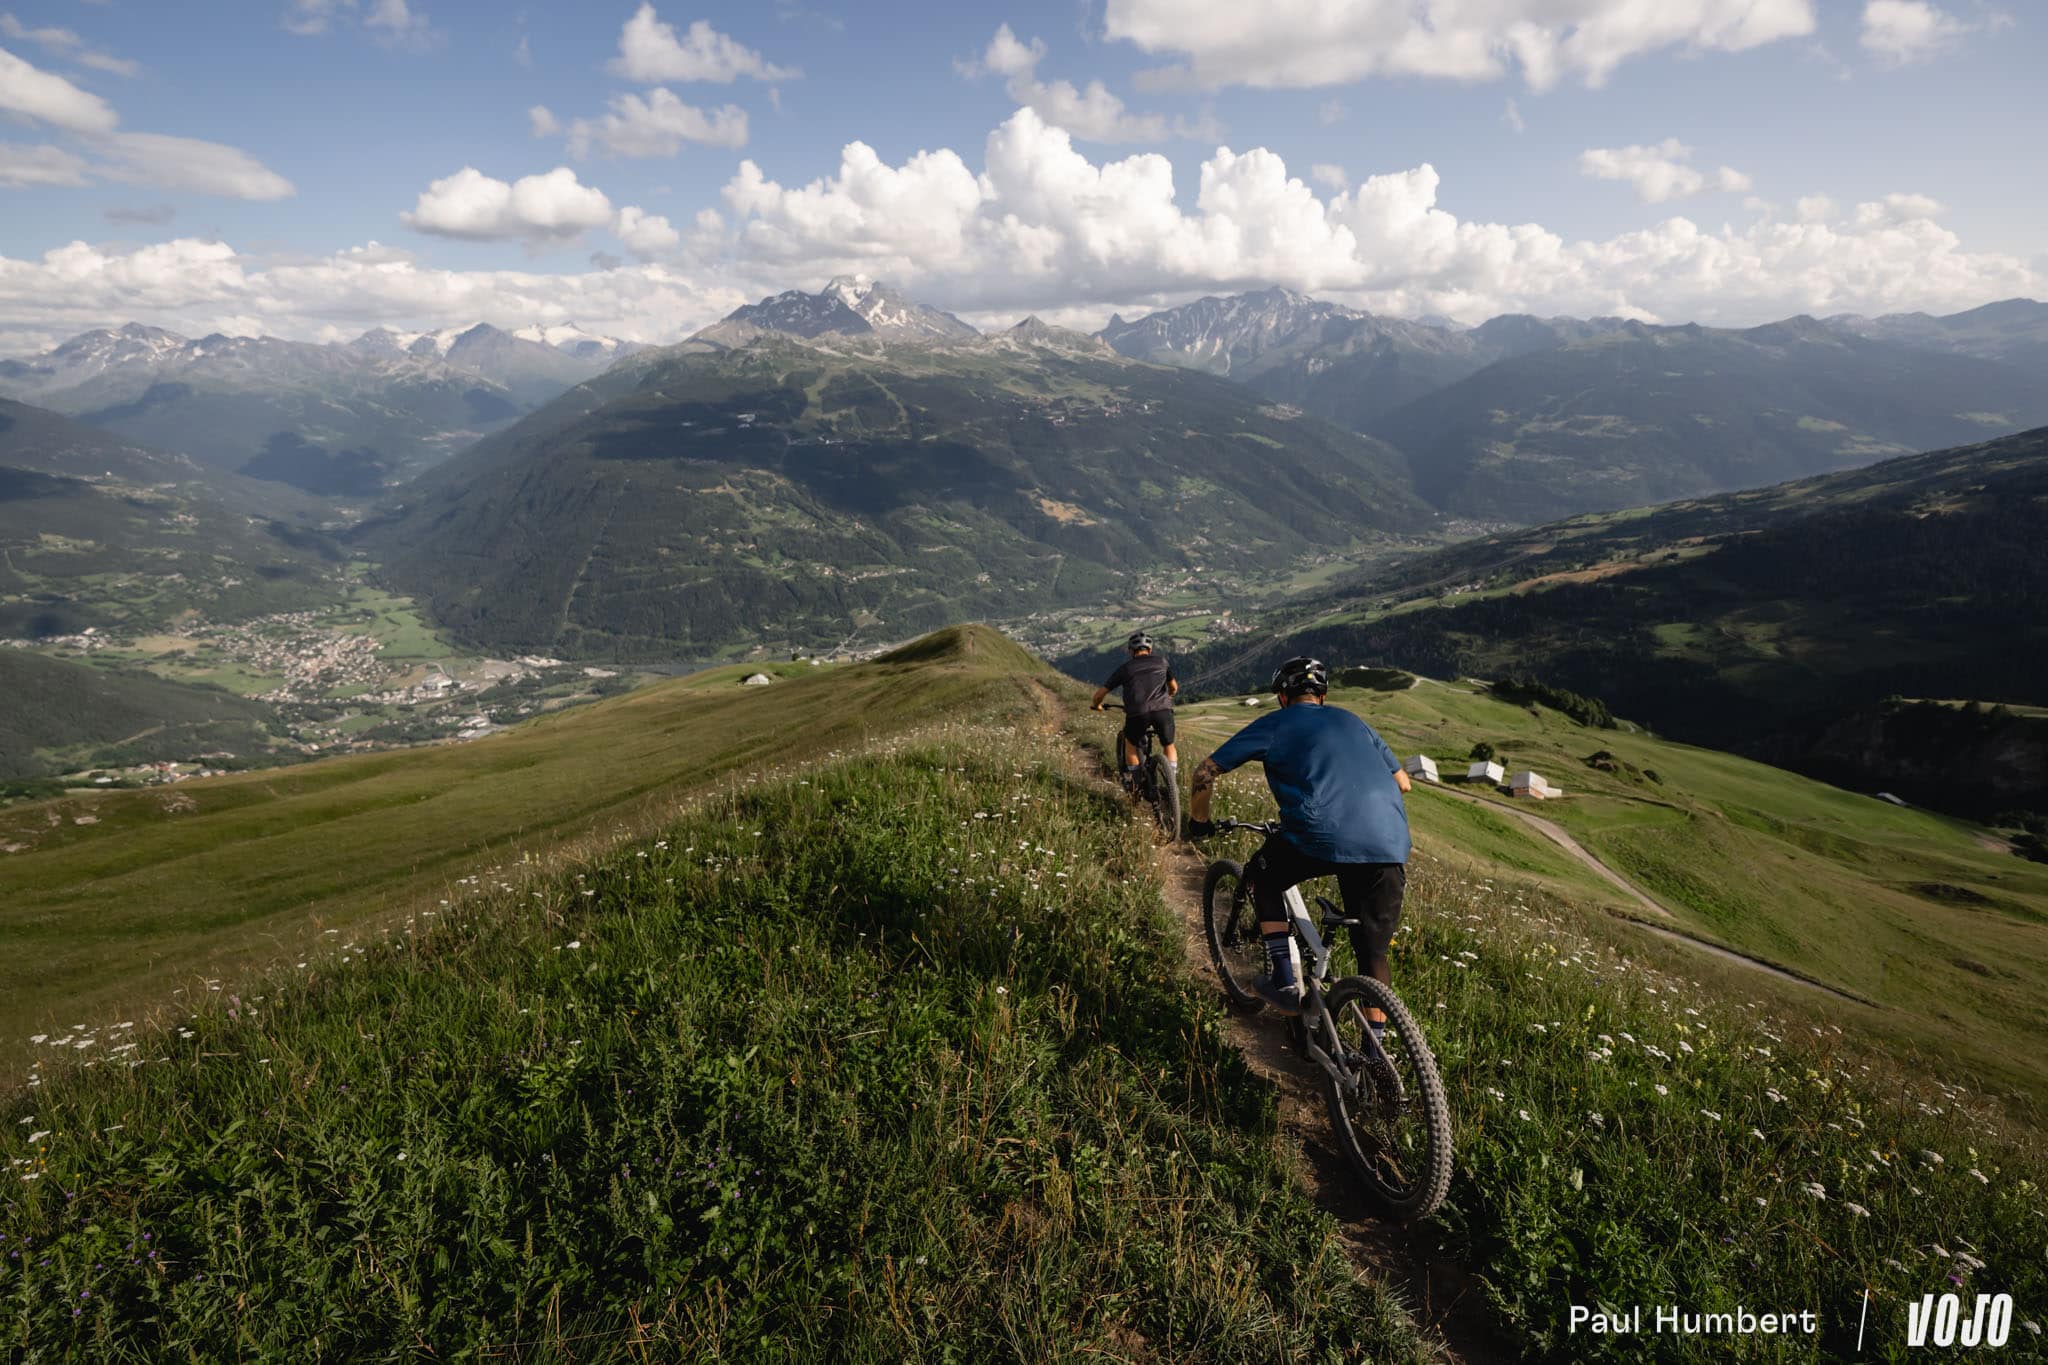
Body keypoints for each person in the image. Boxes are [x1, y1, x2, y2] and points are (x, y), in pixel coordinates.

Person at [1186, 656, 1412, 1017]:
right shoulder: (1355, 722)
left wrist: (1198, 824)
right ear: (1322, 696)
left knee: (1263, 875)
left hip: (1318, 833)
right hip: (1388, 843)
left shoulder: (1276, 723)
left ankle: (1284, 980)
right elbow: (1404, 783)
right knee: (1372, 954)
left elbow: (1204, 772)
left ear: (1282, 697)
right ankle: (1376, 1059)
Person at [1090, 631, 1179, 793]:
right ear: (1149, 650)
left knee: (1130, 744)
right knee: (1168, 744)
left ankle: (1137, 784)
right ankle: (1171, 782)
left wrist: (1097, 706)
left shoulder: (1124, 669)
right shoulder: (1162, 662)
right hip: (1163, 711)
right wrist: (1168, 697)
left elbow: (1099, 695)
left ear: (1131, 651)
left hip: (1138, 713)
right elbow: (1174, 688)